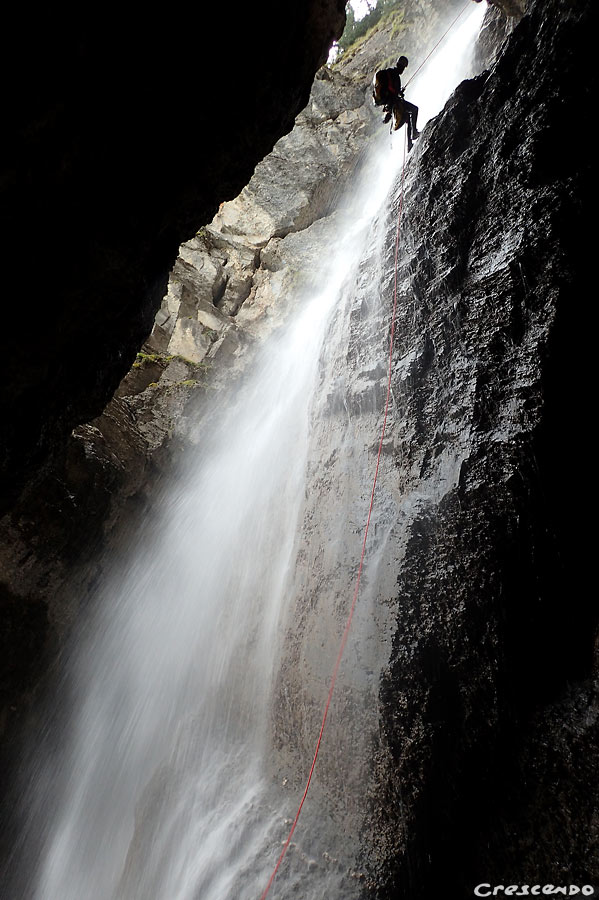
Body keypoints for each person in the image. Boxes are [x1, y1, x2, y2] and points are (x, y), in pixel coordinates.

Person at [372, 55, 420, 151]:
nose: (402, 70)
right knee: (414, 110)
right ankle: (413, 134)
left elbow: (393, 92)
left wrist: (398, 93)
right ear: (400, 66)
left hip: (391, 104)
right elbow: (394, 94)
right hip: (394, 104)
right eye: (403, 67)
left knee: (407, 117)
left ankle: (409, 145)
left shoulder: (389, 73)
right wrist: (399, 94)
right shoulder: (395, 76)